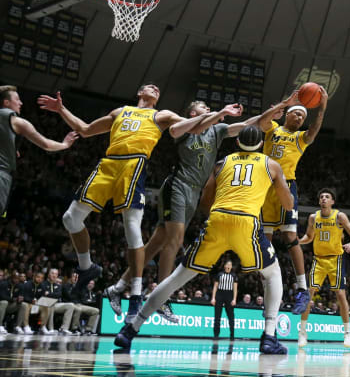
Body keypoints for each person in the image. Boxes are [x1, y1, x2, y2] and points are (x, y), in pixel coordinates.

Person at [114, 126, 293, 354]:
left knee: (178, 277)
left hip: (217, 219)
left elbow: (205, 202)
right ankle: (269, 336)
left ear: (237, 143)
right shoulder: (271, 164)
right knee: (272, 273)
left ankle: (131, 328)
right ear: (260, 145)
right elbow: (287, 205)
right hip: (246, 221)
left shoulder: (221, 164)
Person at [37, 85, 212, 314]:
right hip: (109, 164)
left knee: (132, 227)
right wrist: (61, 109)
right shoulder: (120, 112)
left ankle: (136, 294)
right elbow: (86, 129)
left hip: (134, 164)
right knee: (70, 218)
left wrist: (212, 115)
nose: (156, 88)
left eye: (158, 89)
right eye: (150, 86)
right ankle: (87, 267)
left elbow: (192, 128)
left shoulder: (161, 115)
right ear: (139, 92)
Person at [103, 100, 244, 323]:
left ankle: (118, 286)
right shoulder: (183, 124)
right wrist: (219, 112)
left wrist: (272, 113)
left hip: (194, 194)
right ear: (191, 111)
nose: (208, 109)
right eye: (203, 107)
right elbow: (176, 130)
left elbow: (246, 125)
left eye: (209, 108)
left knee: (155, 245)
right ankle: (161, 297)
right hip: (177, 186)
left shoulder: (216, 130)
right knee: (175, 240)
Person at [257, 88, 329, 313]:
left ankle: (301, 289)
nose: (299, 118)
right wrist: (284, 103)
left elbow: (314, 130)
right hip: (264, 188)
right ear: (287, 114)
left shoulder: (300, 138)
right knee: (263, 242)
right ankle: (268, 290)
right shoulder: (274, 130)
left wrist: (322, 109)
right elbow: (262, 120)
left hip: (286, 187)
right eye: (296, 114)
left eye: (302, 117)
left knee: (290, 236)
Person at [0, 85, 77, 216]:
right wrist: (64, 144)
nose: (21, 102)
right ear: (6, 102)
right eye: (17, 99)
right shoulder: (17, 121)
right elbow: (46, 144)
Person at [297, 188, 350, 348]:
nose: (324, 199)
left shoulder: (339, 216)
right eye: (322, 197)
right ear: (319, 202)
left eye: (327, 197)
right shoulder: (313, 218)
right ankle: (302, 332)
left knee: (340, 294)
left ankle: (347, 333)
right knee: (308, 294)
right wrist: (298, 241)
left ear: (332, 202)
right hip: (318, 260)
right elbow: (309, 237)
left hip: (336, 259)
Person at [210, 259, 238, 340]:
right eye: (227, 264)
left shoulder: (234, 276)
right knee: (217, 316)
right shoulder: (219, 274)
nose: (229, 266)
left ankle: (232, 335)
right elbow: (215, 287)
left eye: (230, 265)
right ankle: (216, 335)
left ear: (231, 267)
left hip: (229, 295)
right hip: (219, 295)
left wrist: (234, 299)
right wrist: (213, 298)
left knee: (231, 316)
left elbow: (235, 289)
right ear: (225, 266)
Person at [42, 268, 75, 335]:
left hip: (57, 304)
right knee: (50, 303)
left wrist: (48, 294)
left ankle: (64, 328)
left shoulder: (58, 285)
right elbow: (43, 295)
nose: (54, 275)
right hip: (45, 305)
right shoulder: (43, 284)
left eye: (56, 274)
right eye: (52, 273)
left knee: (71, 305)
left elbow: (58, 295)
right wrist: (52, 295)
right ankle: (51, 328)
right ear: (48, 275)